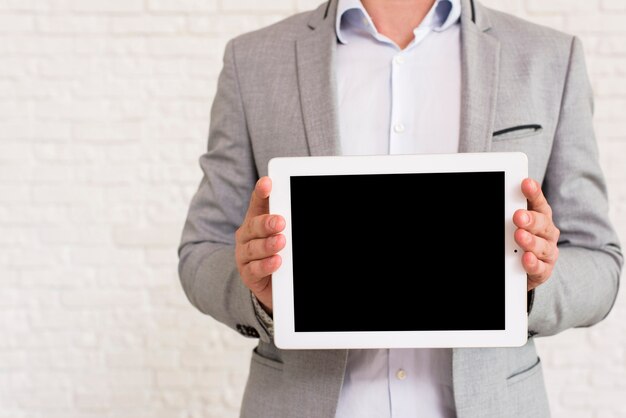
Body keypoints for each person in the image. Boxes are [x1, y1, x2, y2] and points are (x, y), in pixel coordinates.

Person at [177, 0, 623, 416]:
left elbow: (600, 262)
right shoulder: (252, 60)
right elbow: (202, 250)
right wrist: (260, 292)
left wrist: (530, 284)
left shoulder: (549, 57)